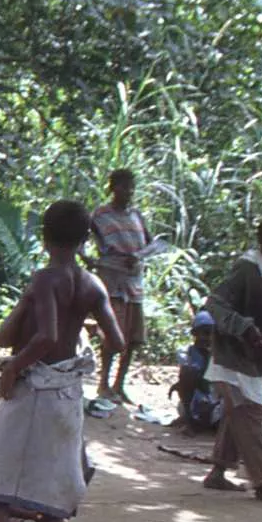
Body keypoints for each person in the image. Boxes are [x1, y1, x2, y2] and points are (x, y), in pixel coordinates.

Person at [0, 200, 122, 522]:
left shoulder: (45, 278)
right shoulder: (93, 284)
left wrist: (12, 368)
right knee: (56, 485)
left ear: (44, 234)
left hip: (35, 387)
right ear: (85, 237)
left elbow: (47, 336)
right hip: (68, 393)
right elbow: (118, 341)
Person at [204, 215, 262, 501]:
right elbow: (215, 304)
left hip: (259, 360)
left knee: (241, 414)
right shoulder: (247, 269)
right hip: (237, 360)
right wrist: (244, 329)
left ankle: (218, 472)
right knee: (252, 416)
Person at [89, 169, 150, 403]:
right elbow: (83, 238)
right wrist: (89, 260)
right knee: (112, 336)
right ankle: (103, 383)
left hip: (134, 283)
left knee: (133, 338)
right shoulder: (101, 215)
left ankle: (119, 384)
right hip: (112, 281)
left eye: (132, 187)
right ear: (113, 187)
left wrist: (140, 255)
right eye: (124, 186)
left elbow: (150, 242)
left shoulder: (136, 215)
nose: (129, 192)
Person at [172, 311, 222, 432]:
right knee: (188, 372)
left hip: (215, 404)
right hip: (195, 403)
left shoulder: (220, 355)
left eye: (211, 333)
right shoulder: (186, 353)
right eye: (205, 333)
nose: (209, 338)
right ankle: (189, 422)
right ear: (195, 333)